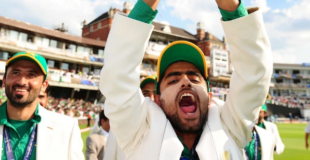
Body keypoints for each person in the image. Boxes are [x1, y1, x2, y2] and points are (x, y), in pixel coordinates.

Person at [100, 0, 272, 159]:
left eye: (195, 78)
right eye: (173, 80)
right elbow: (118, 73)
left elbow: (254, 73)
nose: (185, 82)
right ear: (158, 100)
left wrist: (231, 5)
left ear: (210, 96)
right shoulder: (140, 133)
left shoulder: (231, 126)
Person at [0, 52, 84, 159]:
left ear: (44, 85)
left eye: (32, 75)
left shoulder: (67, 129)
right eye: (15, 73)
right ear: (4, 81)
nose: (22, 81)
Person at [104, 75, 156, 160]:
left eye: (155, 93)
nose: (151, 98)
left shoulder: (170, 128)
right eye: (146, 94)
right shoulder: (119, 127)